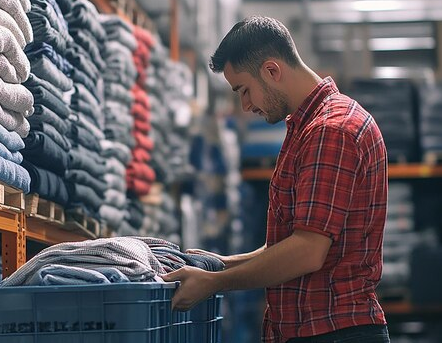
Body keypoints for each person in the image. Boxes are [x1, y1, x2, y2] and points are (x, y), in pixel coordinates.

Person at [161, 16, 390, 342]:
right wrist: (217, 265)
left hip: (335, 331)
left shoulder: (331, 130)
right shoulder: (306, 129)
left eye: (244, 90)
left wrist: (215, 283)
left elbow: (307, 251)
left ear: (271, 71)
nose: (245, 104)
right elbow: (287, 243)